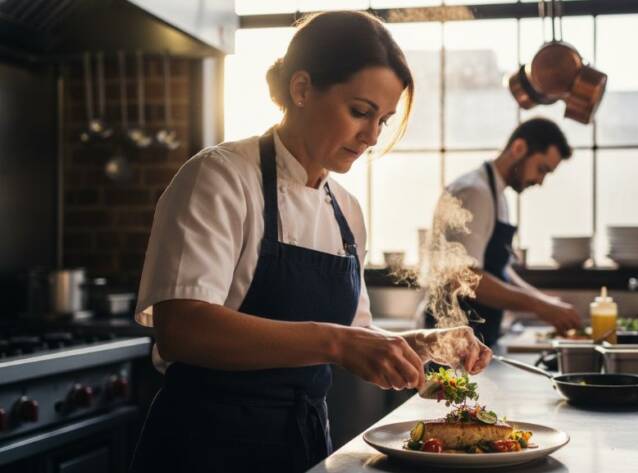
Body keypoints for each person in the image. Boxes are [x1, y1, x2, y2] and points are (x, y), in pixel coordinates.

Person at [129, 11, 491, 473]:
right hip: (206, 445)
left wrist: (422, 345)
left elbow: (355, 336)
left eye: (383, 120)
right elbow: (182, 329)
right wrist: (335, 343)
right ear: (301, 90)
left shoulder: (346, 209)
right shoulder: (219, 177)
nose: (372, 136)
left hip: (301, 446)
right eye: (360, 112)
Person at [424, 118, 582, 348]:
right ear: (519, 148)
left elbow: (499, 270)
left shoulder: (497, 195)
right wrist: (540, 306)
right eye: (541, 169)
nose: (540, 181)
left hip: (478, 337)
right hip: (451, 340)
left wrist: (544, 301)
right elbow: (462, 277)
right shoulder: (473, 192)